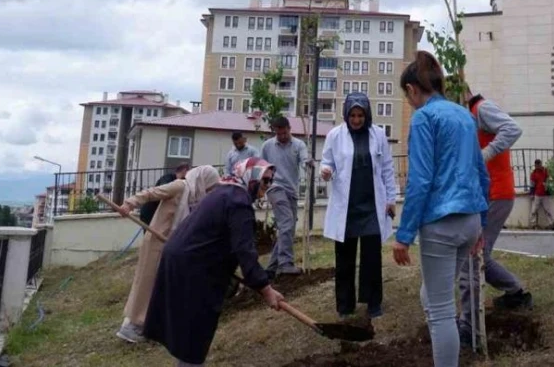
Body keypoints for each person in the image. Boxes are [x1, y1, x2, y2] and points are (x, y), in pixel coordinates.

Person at [393, 52, 489, 367]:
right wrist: (482, 227)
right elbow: (481, 172)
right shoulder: (464, 115)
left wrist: (403, 235)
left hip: (441, 224)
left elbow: (420, 181)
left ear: (411, 89)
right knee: (433, 296)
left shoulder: (424, 118)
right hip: (470, 221)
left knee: (440, 312)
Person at [143, 158, 284, 367]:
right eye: (264, 180)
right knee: (195, 331)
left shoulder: (224, 191)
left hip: (182, 259)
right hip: (194, 268)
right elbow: (244, 250)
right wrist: (266, 289)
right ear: (251, 176)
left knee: (188, 332)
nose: (267, 186)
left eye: (270, 181)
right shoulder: (238, 201)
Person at [115, 165, 219, 343]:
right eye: (210, 187)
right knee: (146, 283)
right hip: (156, 242)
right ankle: (132, 326)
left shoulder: (196, 198)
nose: (209, 191)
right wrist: (129, 204)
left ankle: (149, 324)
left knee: (162, 285)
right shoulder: (180, 186)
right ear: (203, 180)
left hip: (172, 246)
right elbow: (151, 193)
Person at [459, 91, 531, 345]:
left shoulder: (481, 108)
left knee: (474, 254)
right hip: (487, 194)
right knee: (480, 254)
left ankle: (469, 325)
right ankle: (516, 292)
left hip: (496, 194)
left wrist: (485, 153)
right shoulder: (469, 116)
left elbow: (513, 129)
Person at [320, 92, 398, 320]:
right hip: (347, 207)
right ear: (346, 114)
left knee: (372, 257)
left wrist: (391, 199)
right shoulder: (335, 135)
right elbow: (327, 161)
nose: (356, 120)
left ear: (367, 115)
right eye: (352, 115)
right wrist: (326, 171)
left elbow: (387, 169)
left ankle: (373, 303)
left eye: (360, 115)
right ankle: (345, 306)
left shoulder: (379, 135)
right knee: (344, 259)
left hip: (372, 206)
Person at [260, 115, 309, 275]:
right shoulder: (267, 146)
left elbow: (304, 159)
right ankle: (286, 264)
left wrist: (307, 163)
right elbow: (261, 167)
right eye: (278, 133)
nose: (281, 137)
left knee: (288, 229)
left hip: (291, 191)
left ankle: (271, 268)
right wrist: (263, 185)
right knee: (287, 222)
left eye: (284, 133)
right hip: (275, 188)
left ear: (289, 129)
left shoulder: (299, 145)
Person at [528, 159, 554, 229]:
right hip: (537, 194)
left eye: (539, 165)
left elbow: (550, 179)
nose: (538, 167)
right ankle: (533, 224)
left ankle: (551, 224)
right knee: (534, 210)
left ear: (541, 164)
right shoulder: (533, 173)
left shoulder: (545, 171)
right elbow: (532, 185)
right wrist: (531, 194)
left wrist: (548, 183)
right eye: (537, 165)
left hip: (545, 194)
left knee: (548, 210)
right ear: (535, 165)